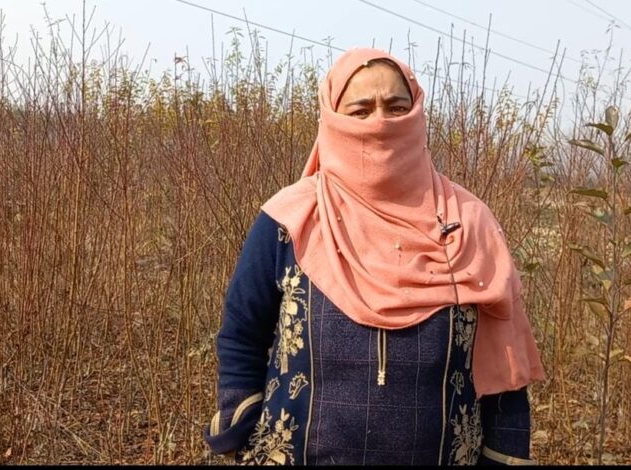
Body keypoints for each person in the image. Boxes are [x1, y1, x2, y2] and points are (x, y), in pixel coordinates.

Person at [202, 47, 545, 466]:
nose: (380, 122)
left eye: (396, 107)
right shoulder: (290, 219)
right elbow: (241, 335)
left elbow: (505, 364)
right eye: (361, 110)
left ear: (417, 112)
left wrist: (506, 452)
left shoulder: (469, 222)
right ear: (332, 117)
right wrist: (243, 431)